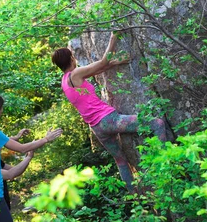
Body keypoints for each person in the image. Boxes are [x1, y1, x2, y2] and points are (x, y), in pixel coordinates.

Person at [51, 32, 167, 191]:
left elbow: (96, 69)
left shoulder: (65, 81)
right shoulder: (76, 73)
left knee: (120, 161)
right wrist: (114, 37)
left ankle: (135, 197)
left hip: (97, 128)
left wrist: (115, 63)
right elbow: (102, 62)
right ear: (71, 58)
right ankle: (165, 165)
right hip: (108, 120)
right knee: (158, 124)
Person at [0, 92, 62, 222]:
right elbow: (22, 149)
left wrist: (15, 137)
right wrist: (45, 139)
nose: (2, 111)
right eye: (1, 108)